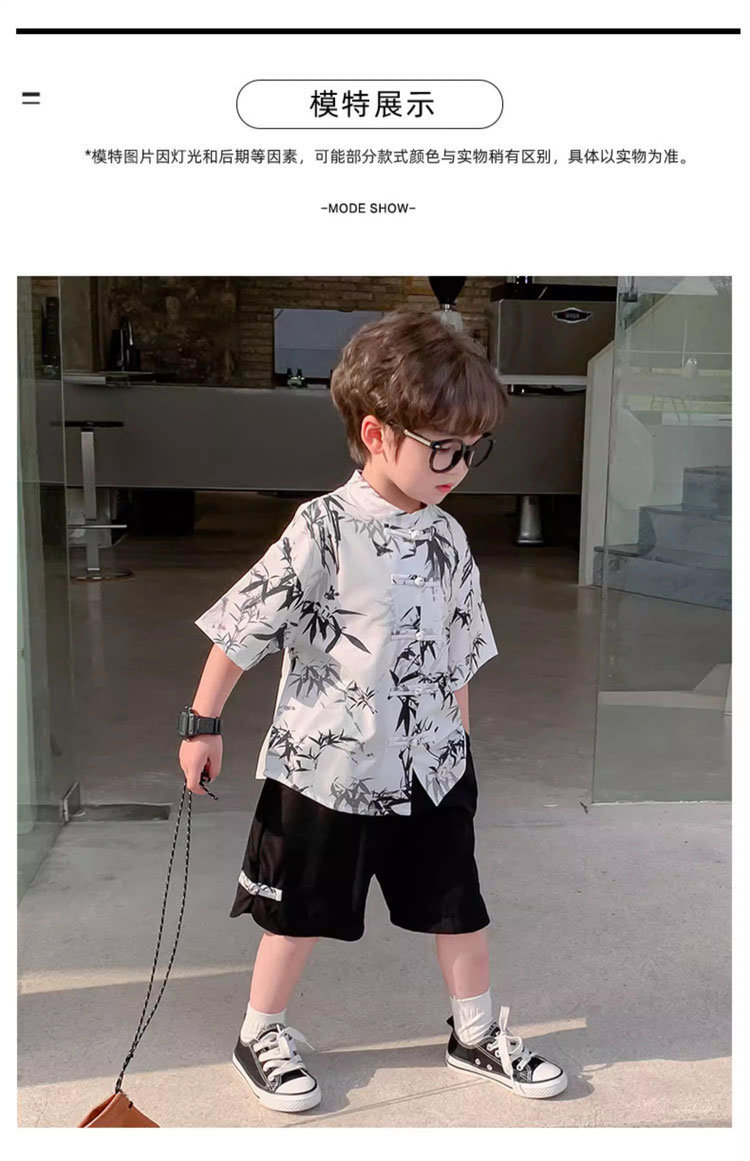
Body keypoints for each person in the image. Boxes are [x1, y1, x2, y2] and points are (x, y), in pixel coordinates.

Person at [178, 310, 567, 1114]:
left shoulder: (449, 537)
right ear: (376, 433)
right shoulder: (323, 528)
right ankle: (260, 1031)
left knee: (458, 905)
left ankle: (474, 1030)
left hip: (432, 767)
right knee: (298, 912)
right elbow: (245, 624)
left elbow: (460, 650)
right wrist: (202, 722)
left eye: (473, 448)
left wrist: (459, 743)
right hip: (328, 766)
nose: (459, 466)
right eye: (442, 448)